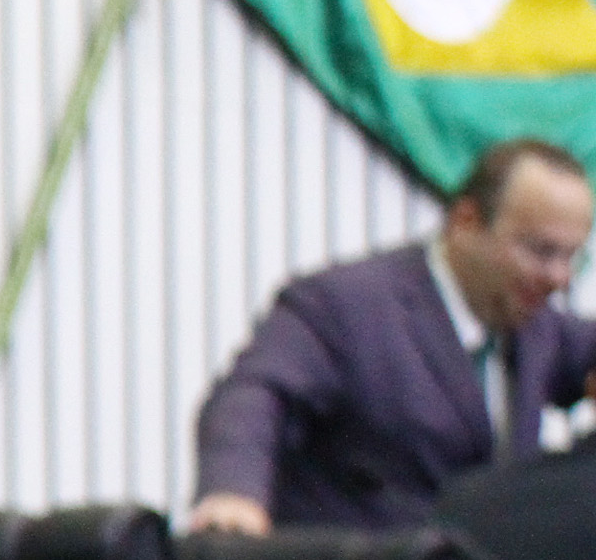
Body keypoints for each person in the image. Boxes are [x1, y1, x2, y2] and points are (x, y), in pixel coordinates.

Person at [190, 138, 596, 535]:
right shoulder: (344, 307)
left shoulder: (533, 325)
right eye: (541, 252)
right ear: (467, 221)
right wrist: (234, 493)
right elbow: (256, 396)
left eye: (572, 257)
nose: (559, 278)